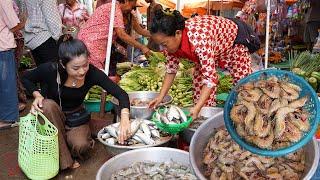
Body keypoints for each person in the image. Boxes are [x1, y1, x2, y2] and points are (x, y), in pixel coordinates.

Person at [22, 37, 131, 170]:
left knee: (81, 146)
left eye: (85, 65)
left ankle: (78, 135)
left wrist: (125, 117)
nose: (82, 71)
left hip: (75, 117)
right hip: (52, 117)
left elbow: (121, 94)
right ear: (63, 64)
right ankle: (66, 160)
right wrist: (37, 95)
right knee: (47, 104)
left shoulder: (92, 73)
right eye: (75, 68)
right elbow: (26, 78)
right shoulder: (50, 69)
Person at [149, 10, 253, 119]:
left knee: (244, 88)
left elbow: (210, 79)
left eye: (164, 44)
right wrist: (160, 97)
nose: (163, 49)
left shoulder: (199, 40)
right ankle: (205, 118)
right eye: (160, 45)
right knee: (200, 89)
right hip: (213, 44)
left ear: (178, 33)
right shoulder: (172, 44)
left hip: (234, 44)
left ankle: (246, 118)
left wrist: (197, 107)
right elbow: (171, 70)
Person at [78, 0, 151, 73]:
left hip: (98, 45)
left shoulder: (124, 12)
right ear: (126, 1)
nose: (132, 9)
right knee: (97, 74)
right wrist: (142, 47)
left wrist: (155, 35)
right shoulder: (115, 8)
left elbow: (140, 30)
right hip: (92, 44)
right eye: (132, 6)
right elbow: (121, 34)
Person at [0, 0, 25, 129]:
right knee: (7, 84)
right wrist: (26, 21)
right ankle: (8, 118)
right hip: (3, 46)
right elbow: (13, 25)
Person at [24, 0, 62, 66]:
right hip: (46, 38)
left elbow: (23, 13)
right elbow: (52, 19)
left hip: (33, 39)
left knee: (45, 73)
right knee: (55, 73)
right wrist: (60, 38)